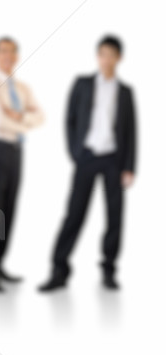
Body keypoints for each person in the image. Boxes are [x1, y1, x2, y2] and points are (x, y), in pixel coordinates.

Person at [39, 35, 136, 292]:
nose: (106, 59)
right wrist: (75, 152)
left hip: (114, 159)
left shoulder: (126, 92)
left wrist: (129, 167)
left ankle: (109, 271)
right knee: (74, 213)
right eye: (102, 54)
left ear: (119, 58)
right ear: (98, 56)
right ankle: (59, 270)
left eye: (111, 55)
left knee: (114, 217)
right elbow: (69, 119)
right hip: (87, 156)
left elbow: (131, 131)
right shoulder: (82, 83)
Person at [0, 36, 44, 292]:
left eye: (12, 52)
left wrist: (18, 116)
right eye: (3, 51)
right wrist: (25, 120)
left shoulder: (23, 88)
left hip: (17, 151)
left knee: (9, 210)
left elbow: (42, 117)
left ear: (17, 57)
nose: (8, 56)